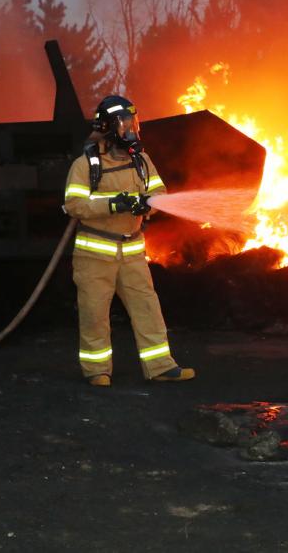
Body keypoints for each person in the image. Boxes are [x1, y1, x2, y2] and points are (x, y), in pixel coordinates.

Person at [62, 95, 195, 386]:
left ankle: (160, 366)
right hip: (95, 255)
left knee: (147, 308)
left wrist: (148, 204)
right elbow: (73, 205)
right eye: (124, 123)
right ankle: (97, 370)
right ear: (108, 127)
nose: (130, 129)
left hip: (132, 252)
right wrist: (115, 204)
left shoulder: (142, 160)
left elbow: (160, 193)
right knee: (95, 312)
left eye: (133, 122)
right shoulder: (86, 165)